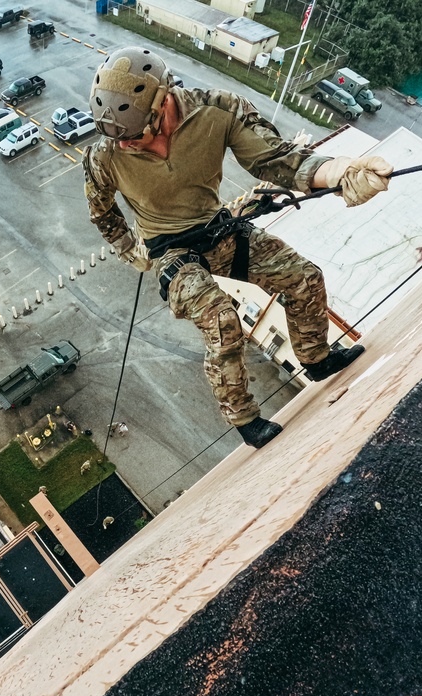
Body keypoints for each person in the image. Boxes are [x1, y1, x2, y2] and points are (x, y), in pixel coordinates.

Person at [84, 47, 392, 449]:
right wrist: (131, 248)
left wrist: (338, 171)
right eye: (118, 140)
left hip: (218, 229)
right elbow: (102, 211)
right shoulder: (105, 154)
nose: (125, 146)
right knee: (222, 321)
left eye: (134, 136)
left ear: (164, 103)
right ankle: (245, 419)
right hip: (170, 251)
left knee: (303, 278)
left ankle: (316, 359)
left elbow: (276, 159)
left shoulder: (219, 110)